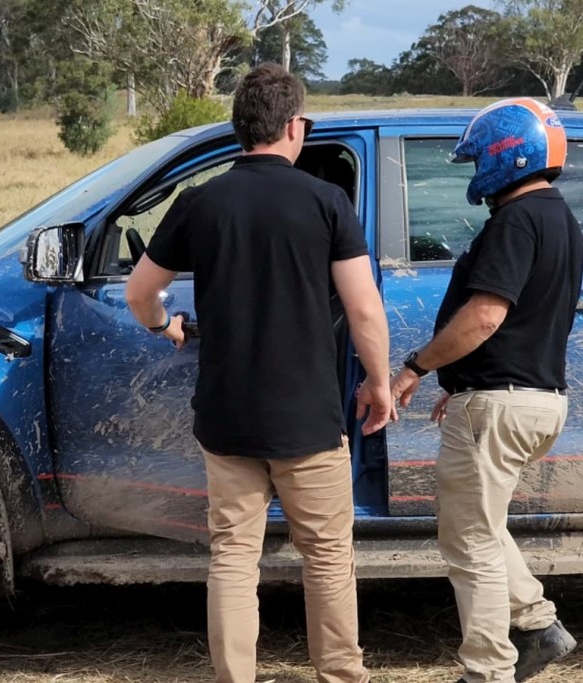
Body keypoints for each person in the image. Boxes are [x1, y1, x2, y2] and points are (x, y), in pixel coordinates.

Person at [125, 63, 393, 683]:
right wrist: (379, 384)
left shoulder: (200, 202)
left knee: (234, 559)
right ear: (295, 126)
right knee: (327, 559)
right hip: (308, 418)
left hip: (226, 418)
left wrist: (163, 325)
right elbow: (363, 309)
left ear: (239, 127)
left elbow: (142, 292)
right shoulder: (327, 202)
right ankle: (340, 676)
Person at [390, 97, 582, 683]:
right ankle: (539, 624)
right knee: (482, 523)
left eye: (478, 159)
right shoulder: (561, 221)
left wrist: (416, 368)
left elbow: (485, 317)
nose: (474, 173)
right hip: (535, 398)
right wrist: (462, 379)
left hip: (499, 403)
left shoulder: (515, 222)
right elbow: (523, 325)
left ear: (506, 156)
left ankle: (487, 670)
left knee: (468, 542)